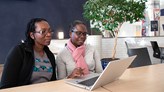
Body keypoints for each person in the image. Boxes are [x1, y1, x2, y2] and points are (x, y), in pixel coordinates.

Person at [0, 18, 57, 89]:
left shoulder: (50, 55)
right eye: (43, 31)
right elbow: (6, 85)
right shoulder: (19, 51)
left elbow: (53, 82)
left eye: (50, 31)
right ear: (32, 35)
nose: (49, 34)